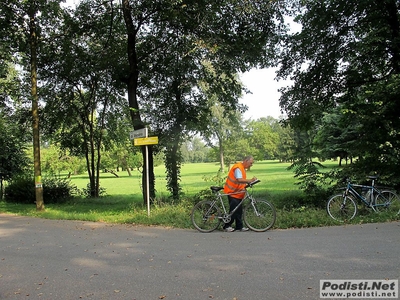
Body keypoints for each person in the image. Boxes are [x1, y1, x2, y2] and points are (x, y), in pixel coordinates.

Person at [223, 156, 257, 232]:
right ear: (245, 161)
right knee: (233, 211)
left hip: (238, 192)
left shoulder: (242, 168)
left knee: (239, 211)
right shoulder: (238, 168)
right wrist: (249, 181)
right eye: (251, 163)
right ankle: (227, 226)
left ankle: (239, 226)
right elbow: (239, 179)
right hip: (233, 192)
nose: (251, 165)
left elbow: (241, 181)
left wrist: (250, 182)